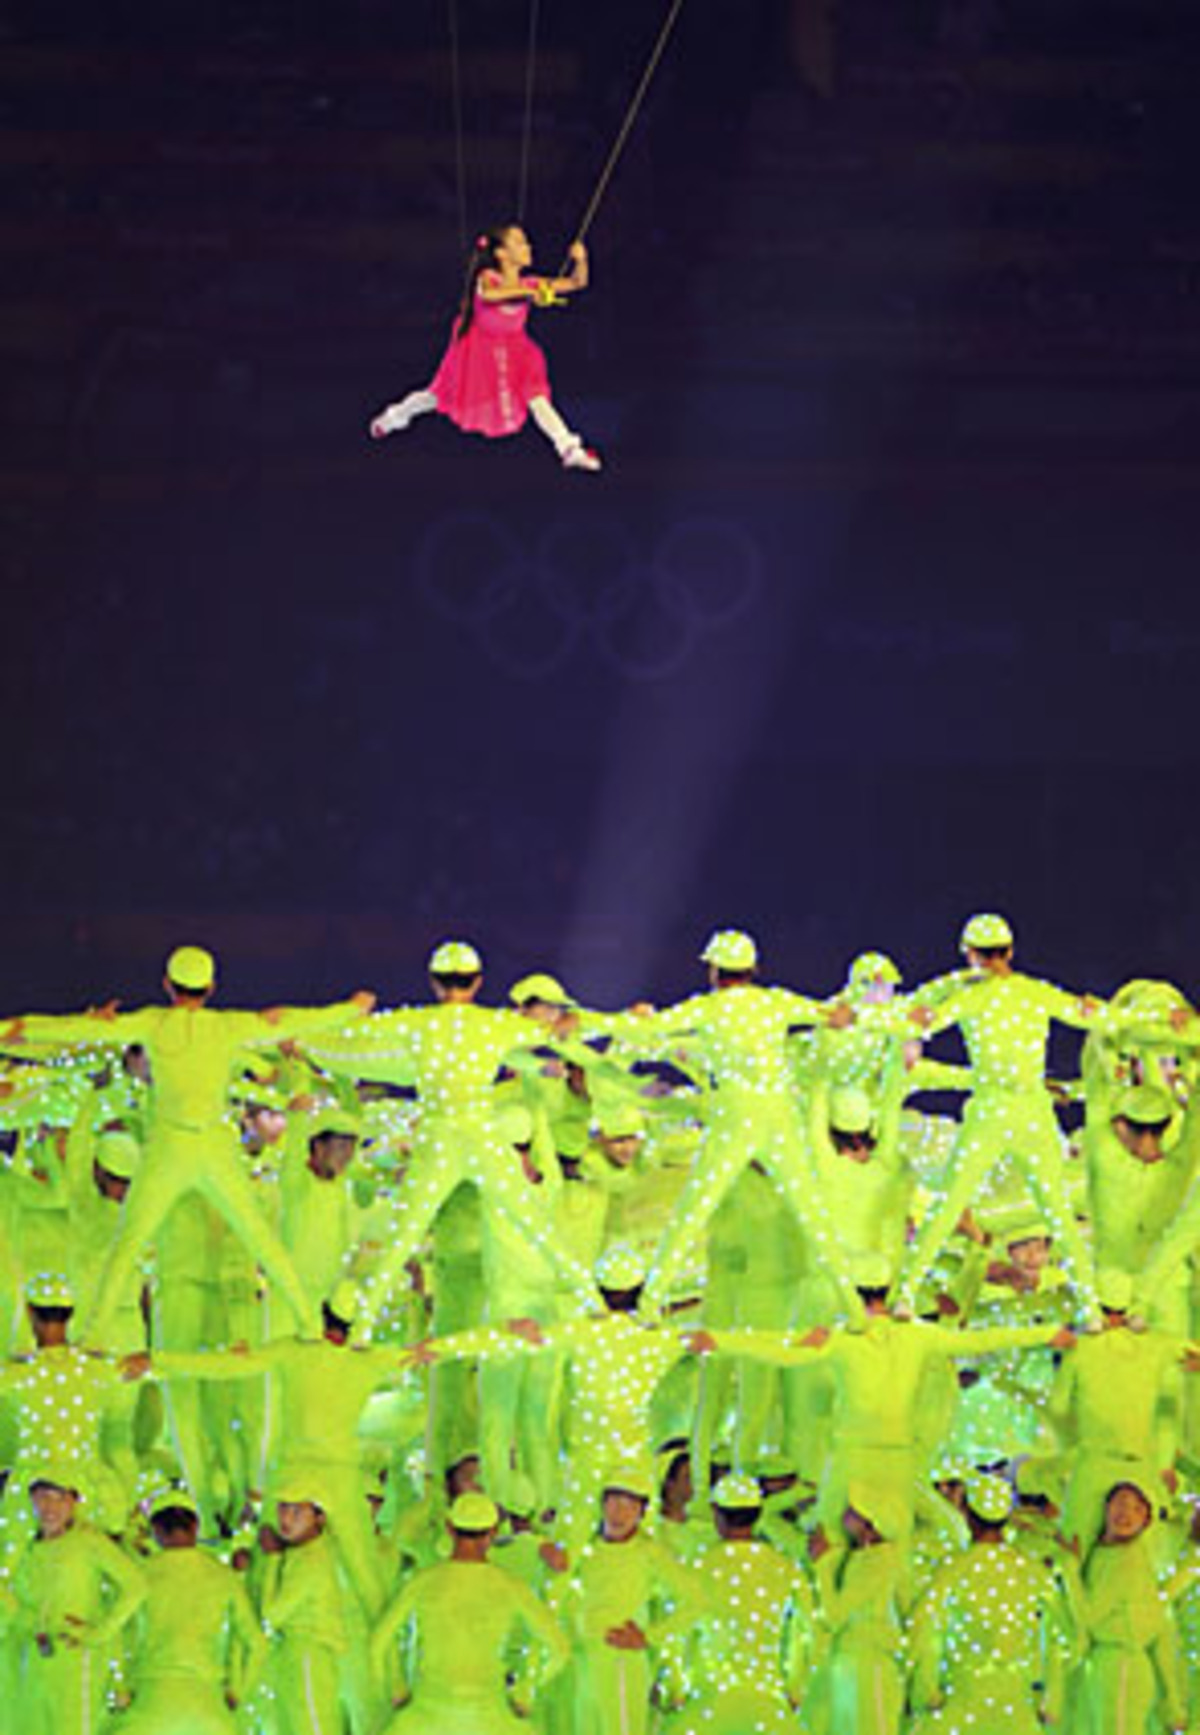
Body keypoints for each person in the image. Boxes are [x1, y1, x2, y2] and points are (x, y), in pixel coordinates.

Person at [0, 944, 375, 1340]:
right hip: (213, 1145)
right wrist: (349, 1009)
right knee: (261, 1239)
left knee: (129, 1242)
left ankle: (94, 1334)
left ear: (167, 984)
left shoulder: (154, 1023)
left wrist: (16, 1028)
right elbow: (286, 1019)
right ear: (210, 987)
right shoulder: (226, 1026)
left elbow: (81, 1030)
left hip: (170, 1146)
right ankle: (308, 1323)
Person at [893, 913, 1183, 1324]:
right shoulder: (1035, 993)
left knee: (949, 1205)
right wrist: (1157, 1020)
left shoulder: (971, 997)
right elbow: (1099, 1017)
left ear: (970, 954)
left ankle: (904, 1296)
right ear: (1010, 951)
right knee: (1058, 1216)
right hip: (1031, 1112)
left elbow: (916, 1016)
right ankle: (1090, 1309)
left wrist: (945, 990)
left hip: (992, 1112)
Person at [369, 224, 601, 471]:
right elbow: (490, 294)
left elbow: (577, 282)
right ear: (501, 254)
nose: (528, 246)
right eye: (520, 242)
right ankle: (394, 417)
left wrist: (581, 260)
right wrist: (533, 292)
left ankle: (568, 448)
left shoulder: (531, 283)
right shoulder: (488, 278)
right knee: (437, 396)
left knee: (536, 396)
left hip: (515, 351)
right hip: (477, 351)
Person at [370, 1491, 570, 1733]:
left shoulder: (423, 1581)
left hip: (428, 1713)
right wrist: (524, 1691)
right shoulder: (510, 1585)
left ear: (449, 1529)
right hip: (491, 1716)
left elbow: (378, 1644)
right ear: (493, 1532)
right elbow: (559, 1649)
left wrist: (397, 1687)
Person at [908, 1472, 1069, 1733]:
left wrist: (924, 1689)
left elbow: (924, 1627)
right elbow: (1061, 1635)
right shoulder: (1031, 1569)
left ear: (967, 1514)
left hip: (960, 1699)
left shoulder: (952, 1567)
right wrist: (1052, 1698)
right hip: (1017, 1702)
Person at [549, 1470, 708, 1735]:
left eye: (630, 1505)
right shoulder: (587, 1545)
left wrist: (649, 1637)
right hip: (584, 1662)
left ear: (642, 1512)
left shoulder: (649, 1551)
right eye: (614, 1502)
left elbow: (697, 1602)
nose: (619, 1513)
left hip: (621, 1660)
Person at [659, 1473, 815, 1733]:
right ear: (758, 1514)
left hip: (706, 1701)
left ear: (716, 1513)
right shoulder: (785, 1567)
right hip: (767, 1702)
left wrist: (674, 1687)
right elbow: (805, 1631)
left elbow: (677, 1632)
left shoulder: (697, 1566)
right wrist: (796, 1687)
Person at [114, 1487, 266, 1735]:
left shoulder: (139, 1574)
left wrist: (121, 1688)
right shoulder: (223, 1575)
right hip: (208, 1704)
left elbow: (118, 1636)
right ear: (196, 1526)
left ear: (156, 1530)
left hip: (150, 1701)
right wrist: (237, 1691)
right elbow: (257, 1644)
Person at [9, 1471, 146, 1735]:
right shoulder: (25, 1548)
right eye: (42, 1497)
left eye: (59, 1497)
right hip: (33, 1660)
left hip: (76, 1660)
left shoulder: (88, 1541)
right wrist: (29, 1620)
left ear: (73, 1502)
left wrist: (100, 1632)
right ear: (31, 1500)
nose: (50, 1507)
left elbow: (136, 1586)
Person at [1074, 1481, 1187, 1734]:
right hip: (1106, 1667)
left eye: (1137, 1508)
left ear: (1146, 1521)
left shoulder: (1129, 1561)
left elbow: (1088, 1616)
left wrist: (1067, 1569)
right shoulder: (1104, 1553)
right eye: (1121, 1503)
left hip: (1122, 1667)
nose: (1126, 1512)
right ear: (1105, 1507)